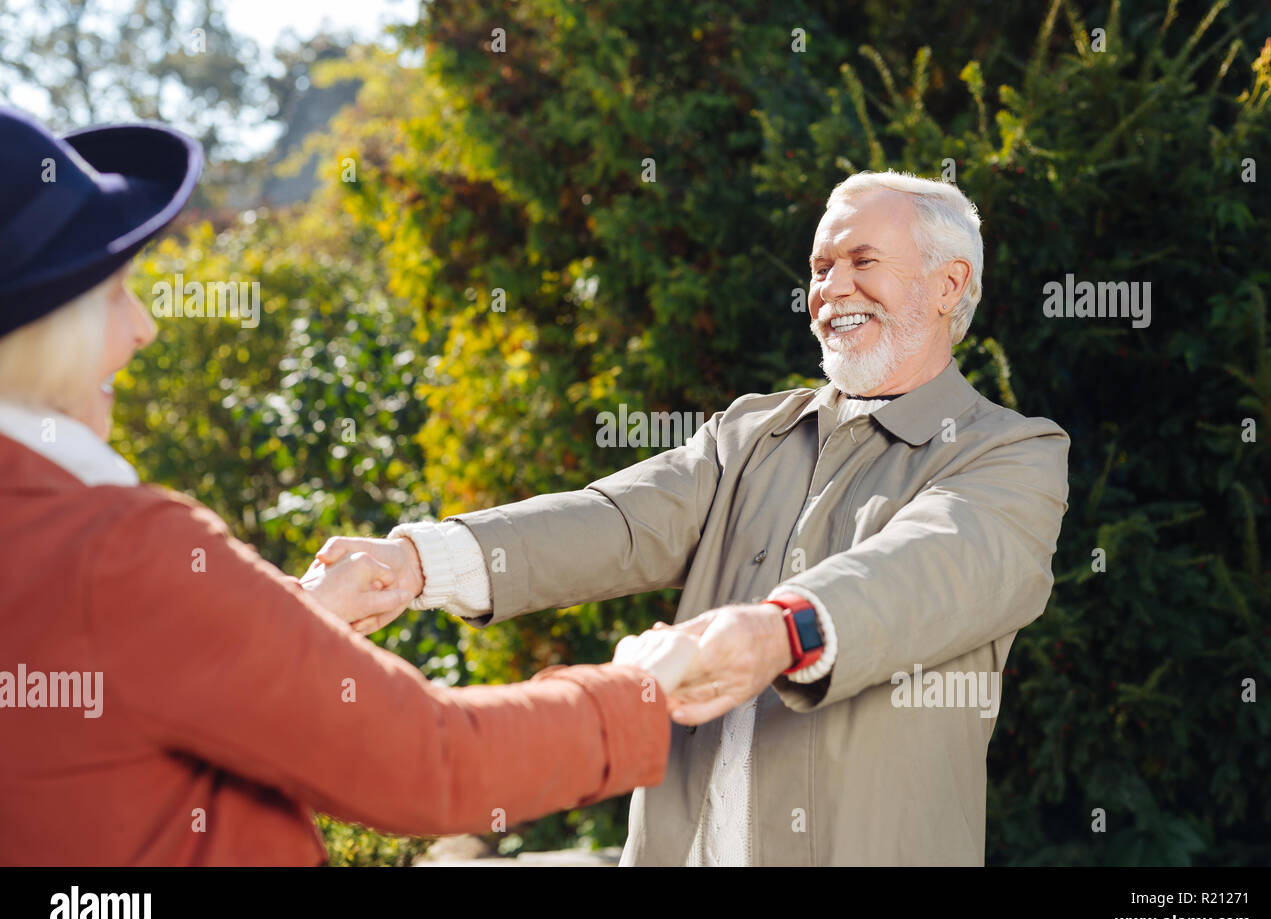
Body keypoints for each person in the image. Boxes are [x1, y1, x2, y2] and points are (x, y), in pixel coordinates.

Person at [0, 106, 697, 866]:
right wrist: (635, 695)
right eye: (113, 295)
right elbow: (435, 763)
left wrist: (290, 624)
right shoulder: (118, 551)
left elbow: (126, 690)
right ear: (43, 330)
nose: (144, 328)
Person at [318, 171, 1072, 866]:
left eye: (862, 261)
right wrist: (416, 561)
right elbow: (611, 522)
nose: (831, 289)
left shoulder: (1011, 454)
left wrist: (782, 632)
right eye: (819, 268)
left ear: (949, 286)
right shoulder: (749, 435)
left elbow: (930, 568)